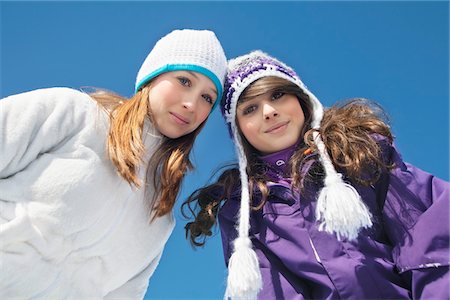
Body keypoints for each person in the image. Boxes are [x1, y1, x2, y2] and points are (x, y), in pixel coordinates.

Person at [183, 51, 449, 299]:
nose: (269, 112)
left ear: (300, 98)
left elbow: (424, 234)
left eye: (277, 95)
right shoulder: (246, 210)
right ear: (238, 131)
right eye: (250, 109)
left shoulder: (359, 154)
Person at [0, 29, 227, 299]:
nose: (191, 103)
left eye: (207, 98)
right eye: (184, 80)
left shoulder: (159, 217)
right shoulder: (75, 115)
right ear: (152, 77)